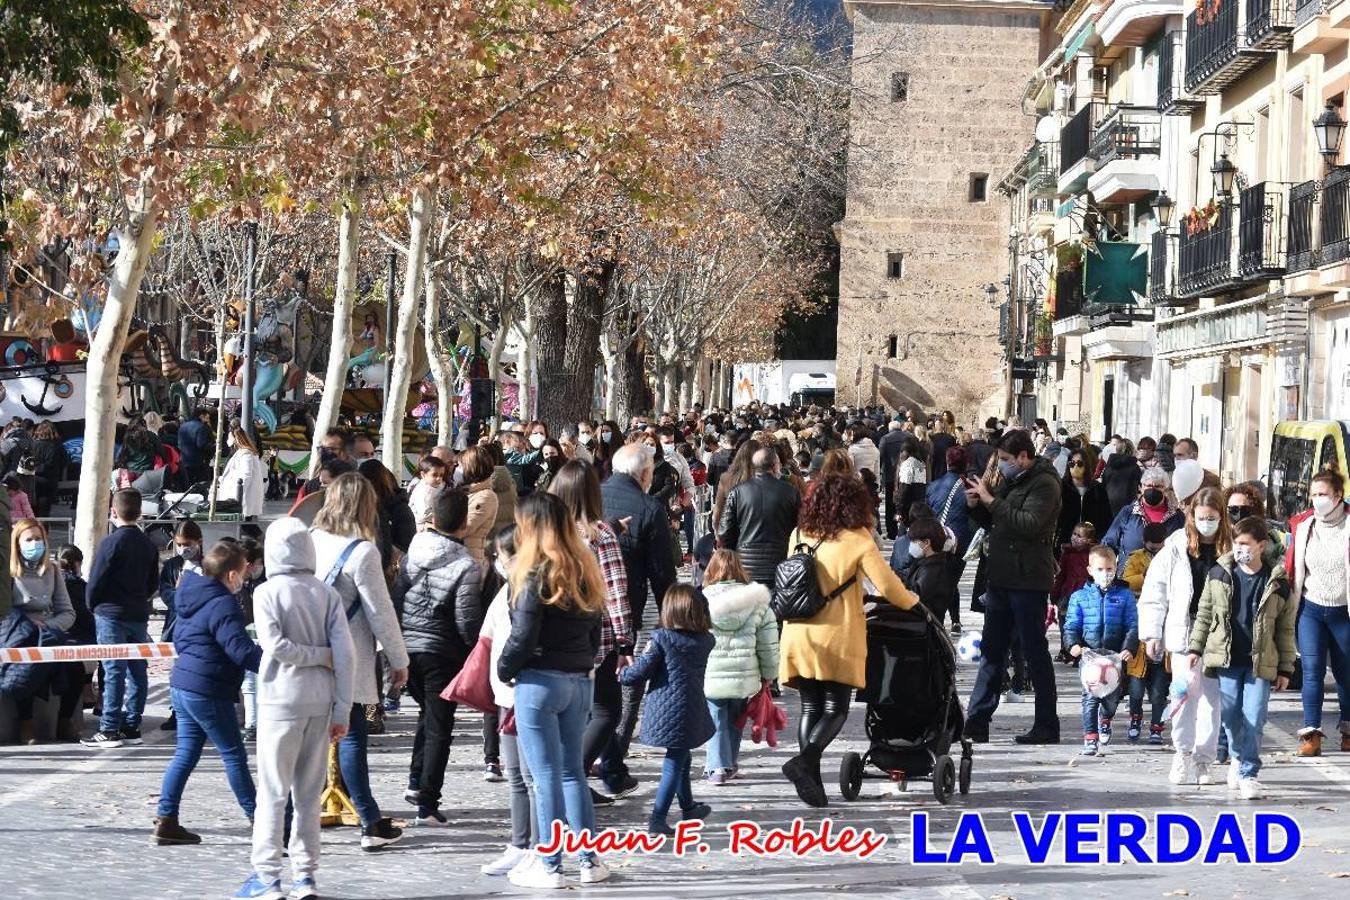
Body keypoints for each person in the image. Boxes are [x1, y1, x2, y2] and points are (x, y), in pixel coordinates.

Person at [779, 474, 920, 807]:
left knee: (811, 706)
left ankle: (811, 782)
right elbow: (888, 587)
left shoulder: (799, 534)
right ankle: (804, 762)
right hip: (836, 635)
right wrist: (914, 602)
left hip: (799, 631)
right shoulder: (858, 539)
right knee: (836, 709)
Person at [236, 518, 356, 900]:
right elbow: (346, 655)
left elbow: (275, 646)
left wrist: (315, 656)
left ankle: (267, 876)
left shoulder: (266, 592)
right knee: (307, 794)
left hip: (279, 700)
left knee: (273, 792)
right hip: (320, 702)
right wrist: (342, 709)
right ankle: (306, 875)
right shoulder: (327, 594)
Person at [497, 493, 610, 888]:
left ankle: (550, 865)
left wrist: (504, 668)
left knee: (545, 777)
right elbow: (597, 631)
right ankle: (588, 859)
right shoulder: (584, 568)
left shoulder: (532, 573)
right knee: (571, 774)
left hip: (540, 679)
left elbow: (522, 635)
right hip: (578, 678)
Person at [310, 472, 409, 850]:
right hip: (346, 654)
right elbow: (379, 611)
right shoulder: (363, 551)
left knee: (313, 735)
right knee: (350, 730)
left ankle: (306, 810)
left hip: (309, 652)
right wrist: (398, 660)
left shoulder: (312, 540)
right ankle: (369, 820)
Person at [151, 540, 262, 845]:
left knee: (185, 753)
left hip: (184, 684)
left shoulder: (191, 595)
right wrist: (277, 663)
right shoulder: (223, 603)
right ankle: (260, 822)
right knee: (233, 755)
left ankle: (166, 819)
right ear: (231, 575)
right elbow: (239, 650)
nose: (244, 577)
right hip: (208, 688)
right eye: (242, 571)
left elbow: (184, 639)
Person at [962, 430, 1063, 745]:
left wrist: (992, 501)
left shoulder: (1045, 483)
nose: (1001, 466)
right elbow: (996, 522)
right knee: (992, 650)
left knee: (1034, 652)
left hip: (1029, 579)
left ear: (1023, 456)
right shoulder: (1014, 481)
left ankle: (1047, 725)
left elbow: (1028, 524)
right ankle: (977, 721)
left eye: (1006, 460)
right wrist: (976, 505)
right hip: (1003, 577)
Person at [391, 488, 482, 825]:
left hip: (408, 647)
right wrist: (476, 652)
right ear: (464, 523)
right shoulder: (465, 565)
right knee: (440, 727)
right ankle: (428, 801)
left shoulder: (413, 552)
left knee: (427, 717)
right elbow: (466, 619)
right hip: (441, 651)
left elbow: (398, 598)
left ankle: (417, 782)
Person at [1187, 517, 1295, 800]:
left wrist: (1285, 667)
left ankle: (1249, 772)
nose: (1240, 549)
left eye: (1245, 543)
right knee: (1232, 717)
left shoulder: (1277, 582)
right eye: (1236, 543)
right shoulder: (1219, 575)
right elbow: (1205, 614)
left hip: (1260, 662)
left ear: (1261, 545)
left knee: (1255, 716)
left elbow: (1285, 629)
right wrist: (1195, 649)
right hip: (1227, 660)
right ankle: (1237, 757)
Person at [550, 461, 637, 803]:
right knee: (606, 710)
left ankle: (605, 774)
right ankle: (571, 777)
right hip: (594, 637)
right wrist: (625, 641)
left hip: (553, 635)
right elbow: (615, 592)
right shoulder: (599, 536)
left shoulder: (545, 532)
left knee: (577, 712)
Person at [1138, 488, 1231, 786]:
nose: (1207, 523)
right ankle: (1182, 752)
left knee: (1211, 701)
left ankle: (1205, 760)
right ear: (1192, 517)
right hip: (1184, 630)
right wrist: (1152, 633)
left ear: (1221, 517)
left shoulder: (1229, 548)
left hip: (1218, 634)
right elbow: (1155, 591)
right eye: (1202, 518)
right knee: (1182, 695)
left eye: (1212, 518)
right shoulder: (1176, 547)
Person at [478, 525, 548, 881]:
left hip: (524, 691)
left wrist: (506, 669)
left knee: (532, 778)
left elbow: (520, 642)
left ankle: (539, 847)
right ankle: (520, 844)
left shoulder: (532, 590)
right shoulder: (506, 589)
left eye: (501, 556)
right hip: (506, 694)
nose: (497, 563)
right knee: (516, 777)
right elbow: (487, 633)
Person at [620, 584, 715, 836]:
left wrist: (623, 673)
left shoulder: (661, 639)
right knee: (682, 756)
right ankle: (688, 807)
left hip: (666, 710)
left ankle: (657, 818)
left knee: (674, 762)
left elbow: (638, 674)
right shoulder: (706, 640)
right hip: (692, 709)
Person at [82, 489, 159, 748]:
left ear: (114, 511)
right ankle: (132, 724)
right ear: (140, 512)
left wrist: (92, 604)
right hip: (138, 613)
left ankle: (109, 728)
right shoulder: (148, 544)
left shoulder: (111, 542)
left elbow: (97, 578)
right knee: (138, 670)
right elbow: (153, 583)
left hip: (111, 613)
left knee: (114, 670)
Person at [1283, 469, 1350, 757]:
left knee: (1346, 675)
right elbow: (1291, 567)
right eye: (1313, 494)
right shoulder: (1304, 525)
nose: (1317, 500)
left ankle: (1348, 730)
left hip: (1343, 613)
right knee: (1312, 673)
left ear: (1338, 496)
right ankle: (1311, 734)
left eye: (1323, 494)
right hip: (1310, 609)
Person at [701, 549, 778, 786]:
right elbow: (768, 643)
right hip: (745, 673)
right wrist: (770, 675)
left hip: (711, 673)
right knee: (736, 718)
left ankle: (716, 768)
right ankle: (730, 763)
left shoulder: (701, 600)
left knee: (716, 718)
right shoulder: (756, 601)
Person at [9, 519, 79, 744]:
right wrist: (28, 625)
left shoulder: (53, 571)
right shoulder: (8, 573)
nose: (34, 543)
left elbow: (67, 612)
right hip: (19, 633)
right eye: (28, 539)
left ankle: (64, 720)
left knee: (76, 664)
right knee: (28, 663)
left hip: (50, 631)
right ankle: (25, 721)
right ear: (18, 543)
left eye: (38, 539)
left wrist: (47, 626)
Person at [1063, 546, 1138, 754]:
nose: (1105, 574)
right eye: (1100, 569)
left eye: (1109, 569)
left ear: (1116, 568)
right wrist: (1073, 645)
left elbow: (1132, 624)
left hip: (1114, 657)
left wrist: (1129, 648)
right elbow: (1071, 625)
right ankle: (1090, 738)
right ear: (1090, 570)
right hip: (1090, 656)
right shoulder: (1079, 597)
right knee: (1090, 696)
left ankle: (1106, 718)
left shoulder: (1125, 595)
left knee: (1112, 699)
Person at [716, 447, 801, 589]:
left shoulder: (737, 492)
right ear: (775, 466)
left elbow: (725, 533)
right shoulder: (790, 492)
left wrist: (735, 554)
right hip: (780, 564)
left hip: (746, 567)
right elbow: (799, 527)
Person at [1122, 522, 1171, 744]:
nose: (1157, 550)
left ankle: (1157, 725)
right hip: (1141, 617)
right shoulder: (1137, 557)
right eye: (1153, 547)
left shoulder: (1171, 556)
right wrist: (1148, 575)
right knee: (1136, 687)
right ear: (1145, 543)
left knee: (1160, 689)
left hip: (1165, 622)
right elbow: (1127, 580)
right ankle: (1135, 718)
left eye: (1160, 547)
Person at [1102, 468, 1185, 567]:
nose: (1152, 489)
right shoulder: (1128, 512)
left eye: (1158, 486)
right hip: (1129, 576)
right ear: (1141, 488)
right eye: (1149, 485)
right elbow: (1109, 543)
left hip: (1165, 575)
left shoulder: (1176, 515)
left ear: (1165, 489)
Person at [905, 517, 959, 628]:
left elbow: (917, 596)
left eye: (914, 541)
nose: (912, 545)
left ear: (926, 543)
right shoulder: (928, 565)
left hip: (924, 629)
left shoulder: (932, 569)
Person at [1056, 446, 1111, 549]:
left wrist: (1097, 539)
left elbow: (1106, 518)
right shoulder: (1061, 488)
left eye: (1080, 464)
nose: (1075, 467)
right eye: (1072, 464)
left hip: (1091, 545)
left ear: (1086, 465)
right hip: (1065, 545)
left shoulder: (1097, 489)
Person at [455, 446, 500, 570]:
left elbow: (465, 528)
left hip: (469, 560)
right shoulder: (467, 491)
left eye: (459, 465)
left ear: (471, 468)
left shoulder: (486, 496)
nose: (456, 470)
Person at [219, 427, 267, 517]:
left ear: (236, 438)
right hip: (243, 495)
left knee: (246, 525)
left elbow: (246, 475)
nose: (228, 440)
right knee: (245, 526)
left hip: (244, 496)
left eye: (229, 437)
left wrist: (238, 496)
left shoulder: (246, 453)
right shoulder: (243, 452)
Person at [29, 421, 66, 516]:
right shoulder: (57, 446)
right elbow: (64, 462)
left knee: (31, 510)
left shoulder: (32, 445)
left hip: (32, 479)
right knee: (45, 511)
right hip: (50, 480)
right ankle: (43, 530)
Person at [1099, 438, 1141, 521]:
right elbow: (1138, 487)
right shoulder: (1134, 467)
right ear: (1132, 450)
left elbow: (1104, 483)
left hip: (1108, 502)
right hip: (1127, 504)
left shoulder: (1109, 465)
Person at [177, 407, 215, 491]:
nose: (206, 419)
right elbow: (201, 444)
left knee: (187, 486)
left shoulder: (183, 426)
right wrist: (213, 446)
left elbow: (179, 444)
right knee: (200, 487)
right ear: (201, 415)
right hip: (198, 462)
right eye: (206, 416)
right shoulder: (201, 427)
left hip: (184, 461)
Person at [408, 455, 447, 528]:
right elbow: (424, 516)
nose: (438, 478)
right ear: (423, 475)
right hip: (421, 526)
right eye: (434, 475)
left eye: (441, 475)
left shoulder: (437, 486)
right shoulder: (423, 492)